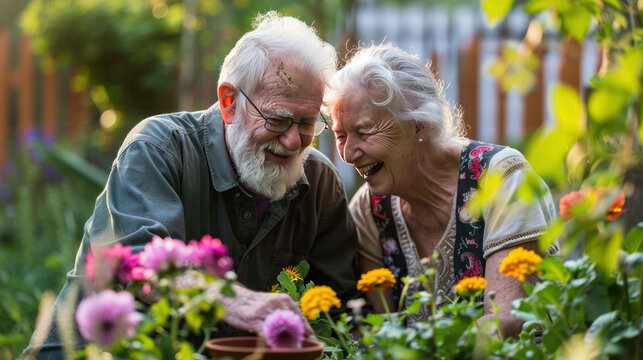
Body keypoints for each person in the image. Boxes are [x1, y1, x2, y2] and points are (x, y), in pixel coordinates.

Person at [23, 12, 359, 359]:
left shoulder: (319, 183)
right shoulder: (157, 149)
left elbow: (341, 308)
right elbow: (139, 264)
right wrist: (236, 300)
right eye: (278, 120)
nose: (292, 142)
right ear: (229, 102)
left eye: (307, 123)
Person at [326, 43, 558, 337]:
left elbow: (507, 322)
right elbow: (383, 335)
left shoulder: (501, 178)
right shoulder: (369, 212)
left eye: (364, 132)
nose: (347, 154)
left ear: (419, 126)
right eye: (340, 135)